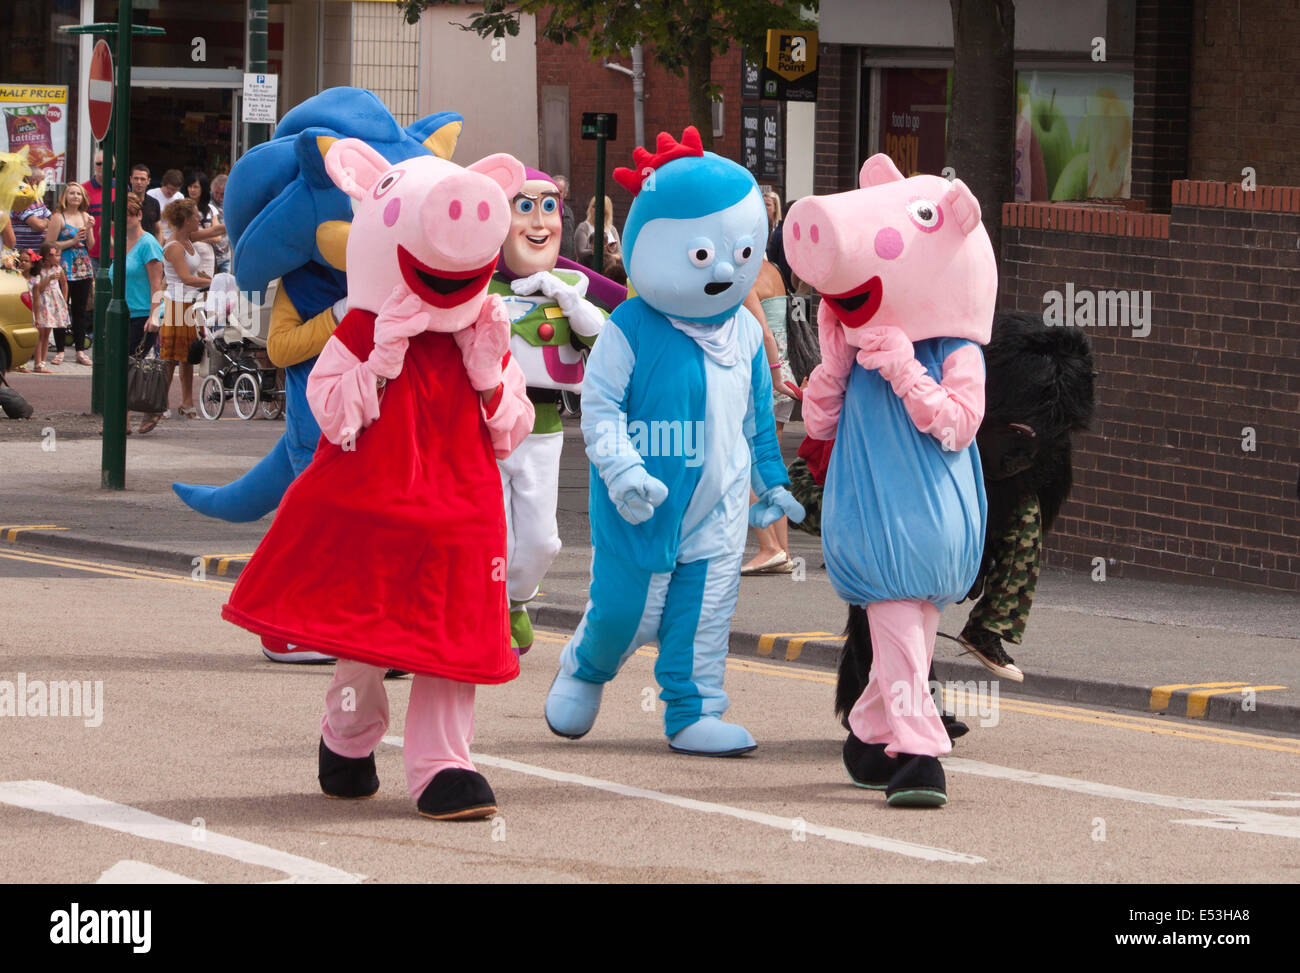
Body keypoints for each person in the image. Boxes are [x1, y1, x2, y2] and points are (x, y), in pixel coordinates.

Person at [544, 126, 804, 756]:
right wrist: (623, 468)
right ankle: (585, 665)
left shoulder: (743, 331)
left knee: (705, 614)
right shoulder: (630, 325)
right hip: (643, 506)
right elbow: (600, 406)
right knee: (626, 615)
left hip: (717, 511)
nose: (722, 271)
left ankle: (694, 710)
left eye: (740, 256)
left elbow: (756, 420)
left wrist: (771, 483)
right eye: (701, 256)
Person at [489, 167, 607, 653]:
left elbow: (603, 341)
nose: (538, 222)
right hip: (485, 427)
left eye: (549, 206)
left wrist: (567, 296)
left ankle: (515, 599)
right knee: (491, 532)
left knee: (541, 540)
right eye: (523, 206)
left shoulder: (571, 290)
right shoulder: (481, 288)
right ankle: (493, 612)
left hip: (544, 425)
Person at [739, 257, 798, 575]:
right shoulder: (773, 270)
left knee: (745, 464)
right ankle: (783, 553)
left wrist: (774, 378)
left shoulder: (745, 277)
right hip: (782, 376)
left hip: (762, 377)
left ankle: (768, 547)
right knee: (770, 464)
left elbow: (763, 333)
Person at [111, 194, 167, 433]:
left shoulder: (148, 244)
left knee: (128, 366)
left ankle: (131, 416)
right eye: (122, 214)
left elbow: (157, 283)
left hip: (143, 313)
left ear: (140, 215)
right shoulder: (121, 242)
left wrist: (154, 316)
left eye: (131, 213)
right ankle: (144, 411)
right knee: (123, 365)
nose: (127, 218)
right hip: (123, 311)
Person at [159, 198, 210, 418]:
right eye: (197, 215)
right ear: (187, 220)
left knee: (188, 355)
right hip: (176, 304)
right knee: (170, 358)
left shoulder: (188, 238)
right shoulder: (174, 247)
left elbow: (216, 230)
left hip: (190, 303)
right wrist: (212, 281)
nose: (200, 219)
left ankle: (187, 402)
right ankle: (159, 402)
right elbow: (186, 278)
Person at [43, 182, 95, 366]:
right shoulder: (59, 217)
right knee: (60, 307)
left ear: (83, 198)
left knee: (79, 311)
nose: (75, 196)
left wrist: (88, 229)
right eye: (71, 193)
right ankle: (59, 350)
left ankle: (80, 351)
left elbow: (91, 245)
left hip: (82, 268)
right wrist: (71, 241)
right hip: (63, 267)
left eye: (78, 194)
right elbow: (49, 245)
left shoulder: (85, 216)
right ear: (65, 197)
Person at [24, 244, 67, 374]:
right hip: (42, 303)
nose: (58, 258)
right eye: (55, 255)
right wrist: (48, 279)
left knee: (47, 335)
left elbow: (64, 284)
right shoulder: (40, 271)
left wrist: (64, 300)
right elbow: (40, 288)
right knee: (39, 334)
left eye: (58, 255)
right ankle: (38, 363)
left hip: (52, 304)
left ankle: (42, 363)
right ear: (47, 257)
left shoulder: (59, 269)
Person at [574, 194, 620, 273]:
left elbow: (619, 254)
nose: (596, 210)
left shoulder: (612, 229)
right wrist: (599, 250)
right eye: (593, 206)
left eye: (601, 207)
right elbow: (580, 252)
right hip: (588, 271)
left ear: (607, 211)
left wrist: (607, 254)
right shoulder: (584, 227)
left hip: (609, 272)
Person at [764, 190, 794, 293]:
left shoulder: (780, 230)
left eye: (768, 205)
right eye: (763, 204)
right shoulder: (762, 227)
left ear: (775, 207)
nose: (764, 207)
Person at [130, 164, 162, 240]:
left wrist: (158, 250)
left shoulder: (154, 203)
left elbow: (158, 231)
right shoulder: (120, 203)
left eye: (143, 179)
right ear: (130, 179)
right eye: (136, 178)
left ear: (148, 181)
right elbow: (104, 230)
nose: (139, 182)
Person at [85, 151, 105, 272]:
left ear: (113, 167)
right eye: (98, 163)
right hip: (92, 253)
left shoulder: (122, 187)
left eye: (105, 163)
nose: (102, 166)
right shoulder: (83, 189)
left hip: (118, 253)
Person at [208, 173, 231, 274]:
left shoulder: (232, 201)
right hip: (211, 252)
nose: (218, 197)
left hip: (227, 251)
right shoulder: (208, 204)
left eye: (222, 194)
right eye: (216, 193)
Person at [552, 173, 577, 260]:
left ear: (565, 194)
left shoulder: (568, 211)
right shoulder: (543, 211)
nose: (556, 194)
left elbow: (571, 237)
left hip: (567, 259)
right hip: (551, 258)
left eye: (560, 191)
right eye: (554, 190)